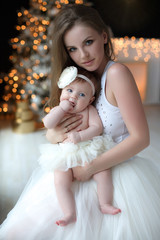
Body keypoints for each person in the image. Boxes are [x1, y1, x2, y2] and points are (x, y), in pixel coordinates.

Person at [0, 4, 160, 240]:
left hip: (111, 168)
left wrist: (92, 168)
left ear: (104, 36)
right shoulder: (78, 77)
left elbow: (141, 138)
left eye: (88, 42)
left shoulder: (117, 75)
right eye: (73, 49)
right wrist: (54, 136)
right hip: (77, 165)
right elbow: (58, 124)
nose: (83, 55)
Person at [39, 66, 121, 226]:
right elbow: (48, 123)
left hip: (88, 148)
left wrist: (80, 135)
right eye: (69, 90)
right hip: (65, 152)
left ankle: (105, 203)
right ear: (62, 90)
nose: (73, 97)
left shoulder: (89, 110)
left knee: (103, 173)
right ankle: (69, 212)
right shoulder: (59, 109)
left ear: (90, 100)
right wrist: (61, 110)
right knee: (60, 181)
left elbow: (97, 128)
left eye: (81, 94)